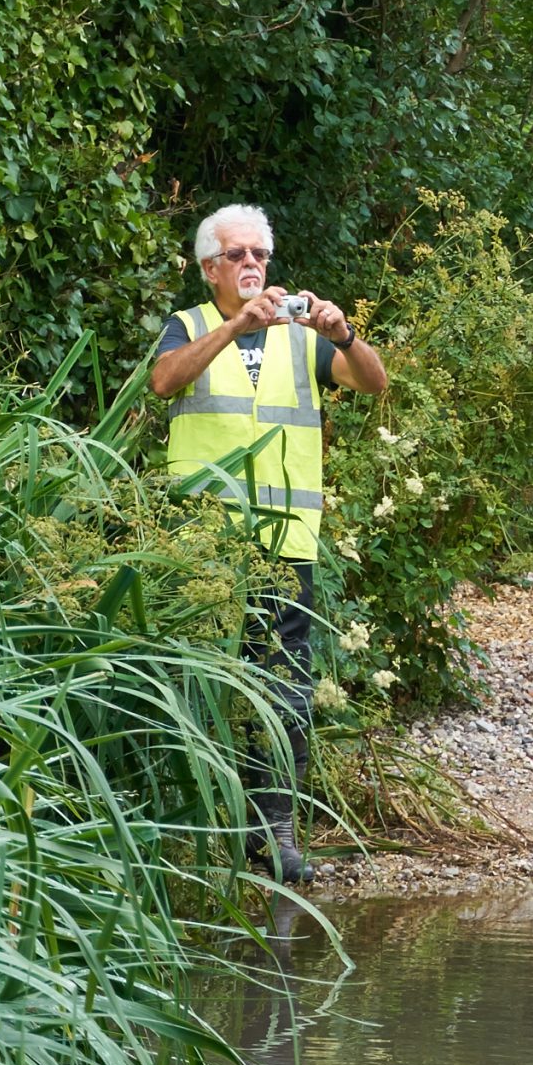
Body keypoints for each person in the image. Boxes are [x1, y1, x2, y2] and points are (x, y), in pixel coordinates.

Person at [151, 202, 389, 884]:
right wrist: (236, 327)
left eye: (259, 254)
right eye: (237, 255)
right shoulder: (191, 325)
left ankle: (273, 833)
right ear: (210, 269)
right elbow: (164, 381)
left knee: (285, 688)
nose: (252, 264)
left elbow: (374, 383)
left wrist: (344, 335)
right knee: (199, 682)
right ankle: (190, 829)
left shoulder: (301, 335)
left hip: (286, 540)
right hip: (206, 541)